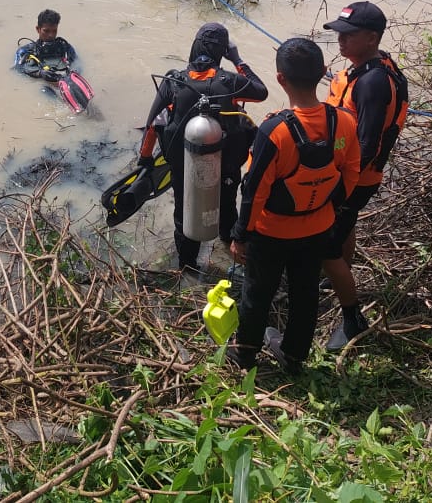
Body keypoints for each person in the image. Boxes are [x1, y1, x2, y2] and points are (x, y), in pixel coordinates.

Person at [229, 37, 361, 373]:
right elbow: (351, 172)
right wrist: (329, 210)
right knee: (306, 294)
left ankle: (245, 354)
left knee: (257, 294)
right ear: (322, 73)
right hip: (316, 228)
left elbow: (255, 190)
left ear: (280, 79)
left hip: (270, 233)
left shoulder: (274, 131)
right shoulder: (345, 122)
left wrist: (240, 234)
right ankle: (294, 355)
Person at [137, 23, 268, 274]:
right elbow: (261, 91)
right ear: (223, 52)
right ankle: (229, 256)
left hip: (185, 167)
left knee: (184, 214)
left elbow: (153, 124)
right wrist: (238, 58)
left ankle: (187, 268)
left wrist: (144, 159)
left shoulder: (173, 80)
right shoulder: (231, 81)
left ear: (193, 46)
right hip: (226, 167)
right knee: (228, 209)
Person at [321, 1, 409, 349]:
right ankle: (342, 270)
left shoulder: (373, 82)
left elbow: (368, 145)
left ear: (371, 38)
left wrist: (337, 186)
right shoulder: (370, 67)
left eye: (348, 35)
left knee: (324, 245)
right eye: (339, 34)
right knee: (345, 227)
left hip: (355, 179)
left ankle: (352, 317)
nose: (340, 42)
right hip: (357, 177)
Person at [14, 9, 76, 75]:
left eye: (54, 31)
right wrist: (40, 73)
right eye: (46, 31)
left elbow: (77, 64)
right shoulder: (25, 51)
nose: (51, 35)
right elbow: (18, 69)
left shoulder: (65, 48)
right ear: (38, 29)